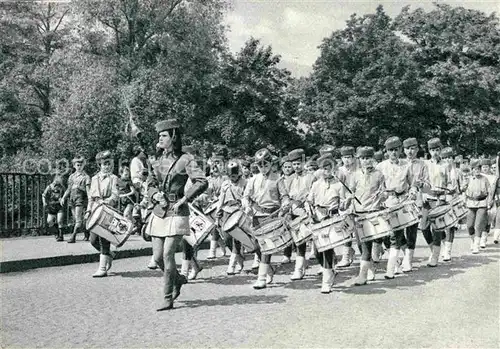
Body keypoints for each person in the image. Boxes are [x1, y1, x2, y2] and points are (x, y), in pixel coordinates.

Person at [145, 118, 208, 311]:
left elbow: (201, 181)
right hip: (159, 210)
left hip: (177, 211)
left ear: (173, 137)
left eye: (163, 135)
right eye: (159, 136)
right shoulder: (157, 160)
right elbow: (150, 183)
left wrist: (185, 199)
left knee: (167, 254)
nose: (160, 139)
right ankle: (178, 279)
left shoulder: (186, 159)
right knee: (157, 258)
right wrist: (154, 194)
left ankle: (167, 297)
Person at [242, 148, 290, 289]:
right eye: (260, 165)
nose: (263, 167)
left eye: (265, 164)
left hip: (272, 215)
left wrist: (286, 203)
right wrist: (246, 206)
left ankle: (261, 278)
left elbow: (285, 196)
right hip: (257, 215)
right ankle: (269, 269)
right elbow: (245, 196)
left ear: (271, 163)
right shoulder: (253, 180)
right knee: (255, 246)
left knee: (266, 247)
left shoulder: (278, 178)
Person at [343, 146, 386, 286]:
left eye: (368, 158)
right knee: (361, 245)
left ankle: (362, 275)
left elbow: (384, 193)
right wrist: (349, 199)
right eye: (362, 158)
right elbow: (350, 192)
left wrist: (382, 195)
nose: (365, 161)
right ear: (358, 159)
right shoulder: (354, 175)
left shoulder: (379, 174)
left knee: (368, 245)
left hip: (373, 212)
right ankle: (370, 267)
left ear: (373, 159)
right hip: (358, 213)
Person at [376, 136, 417, 279]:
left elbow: (412, 183)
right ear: (386, 151)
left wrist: (412, 193)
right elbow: (377, 186)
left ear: (401, 149)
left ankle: (391, 269)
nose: (393, 152)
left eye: (396, 149)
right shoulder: (380, 167)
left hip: (402, 201)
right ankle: (400, 261)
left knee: (396, 236)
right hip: (387, 202)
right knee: (386, 236)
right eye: (390, 150)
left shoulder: (406, 165)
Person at [306, 153, 341, 293]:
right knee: (316, 251)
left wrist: (344, 203)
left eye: (329, 167)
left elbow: (343, 204)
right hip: (317, 218)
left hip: (331, 218)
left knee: (326, 248)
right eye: (323, 168)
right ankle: (331, 268)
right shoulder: (315, 184)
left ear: (334, 167)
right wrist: (309, 210)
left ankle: (326, 281)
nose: (326, 170)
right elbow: (309, 200)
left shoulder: (339, 184)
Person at [85, 150, 119, 277]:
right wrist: (88, 210)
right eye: (105, 163)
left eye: (110, 163)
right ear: (100, 165)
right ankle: (109, 254)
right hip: (95, 210)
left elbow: (116, 195)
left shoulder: (114, 178)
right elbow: (91, 197)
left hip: (108, 210)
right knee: (93, 240)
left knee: (104, 238)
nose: (108, 166)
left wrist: (107, 201)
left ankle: (102, 268)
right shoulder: (94, 179)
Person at [420, 138, 453, 267]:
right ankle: (433, 249)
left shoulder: (446, 165)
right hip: (427, 198)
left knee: (437, 228)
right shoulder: (425, 164)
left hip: (440, 198)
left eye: (437, 149)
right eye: (432, 150)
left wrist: (447, 193)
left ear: (440, 150)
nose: (435, 152)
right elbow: (421, 181)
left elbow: (450, 181)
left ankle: (435, 256)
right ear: (429, 151)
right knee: (423, 227)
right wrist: (422, 192)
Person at [287, 148, 317, 280]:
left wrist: (307, 201)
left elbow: (314, 193)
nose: (296, 166)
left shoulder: (311, 177)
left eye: (298, 163)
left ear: (303, 162)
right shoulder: (290, 179)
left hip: (309, 212)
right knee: (299, 242)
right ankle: (299, 269)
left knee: (317, 239)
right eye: (294, 164)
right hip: (295, 213)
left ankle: (327, 266)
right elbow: (287, 196)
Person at [401, 137, 429, 271]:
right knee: (397, 232)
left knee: (411, 231)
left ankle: (408, 260)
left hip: (415, 201)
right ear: (404, 150)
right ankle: (403, 253)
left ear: (417, 149)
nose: (410, 151)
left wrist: (421, 185)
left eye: (413, 148)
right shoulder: (400, 163)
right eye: (407, 149)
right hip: (399, 201)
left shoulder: (422, 164)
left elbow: (427, 183)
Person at [215, 160, 247, 275]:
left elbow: (246, 198)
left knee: (237, 240)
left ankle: (232, 265)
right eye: (230, 176)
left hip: (239, 212)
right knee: (227, 239)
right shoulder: (225, 184)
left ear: (239, 173)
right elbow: (221, 200)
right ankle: (240, 261)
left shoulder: (245, 183)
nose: (232, 178)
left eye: (234, 175)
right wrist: (217, 214)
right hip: (226, 212)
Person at [463, 159, 492, 254]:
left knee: (478, 225)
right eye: (475, 169)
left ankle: (476, 244)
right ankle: (473, 240)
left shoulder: (485, 179)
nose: (477, 170)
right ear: (472, 170)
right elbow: (463, 190)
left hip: (482, 203)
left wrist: (489, 202)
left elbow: (490, 192)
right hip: (471, 204)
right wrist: (463, 200)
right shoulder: (468, 179)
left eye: (478, 168)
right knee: (469, 225)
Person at [61, 156, 91, 243]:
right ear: (74, 166)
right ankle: (86, 232)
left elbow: (88, 190)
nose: (79, 167)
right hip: (72, 198)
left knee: (78, 219)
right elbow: (69, 189)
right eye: (77, 165)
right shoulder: (71, 176)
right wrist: (63, 197)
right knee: (76, 219)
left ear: (83, 165)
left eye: (81, 165)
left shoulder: (86, 177)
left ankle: (73, 237)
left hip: (80, 199)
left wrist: (90, 200)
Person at [336, 146, 357, 268]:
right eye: (344, 157)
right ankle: (346, 256)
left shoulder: (358, 170)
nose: (347, 160)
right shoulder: (338, 171)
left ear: (354, 157)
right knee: (346, 230)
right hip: (344, 203)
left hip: (357, 202)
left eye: (349, 157)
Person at [42, 176, 66, 242]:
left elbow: (66, 194)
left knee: (59, 220)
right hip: (51, 206)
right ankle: (56, 233)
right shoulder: (49, 187)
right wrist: (44, 203)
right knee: (49, 221)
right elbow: (43, 195)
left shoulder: (62, 187)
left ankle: (61, 236)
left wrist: (63, 198)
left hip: (59, 206)